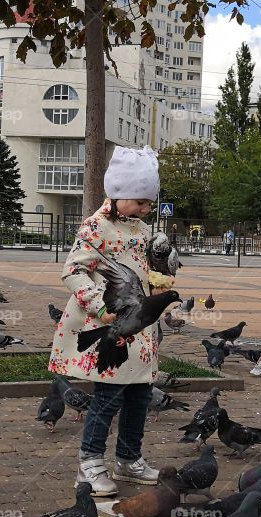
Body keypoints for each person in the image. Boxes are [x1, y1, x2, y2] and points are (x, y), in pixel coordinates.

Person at [49, 146, 173, 496]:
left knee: (140, 394)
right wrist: (97, 306)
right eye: (139, 201)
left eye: (149, 202)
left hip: (140, 329)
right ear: (118, 195)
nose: (146, 209)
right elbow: (73, 270)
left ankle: (129, 458)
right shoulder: (95, 226)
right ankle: (90, 461)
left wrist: (161, 274)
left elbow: (144, 268)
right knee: (108, 396)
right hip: (111, 325)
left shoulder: (143, 229)